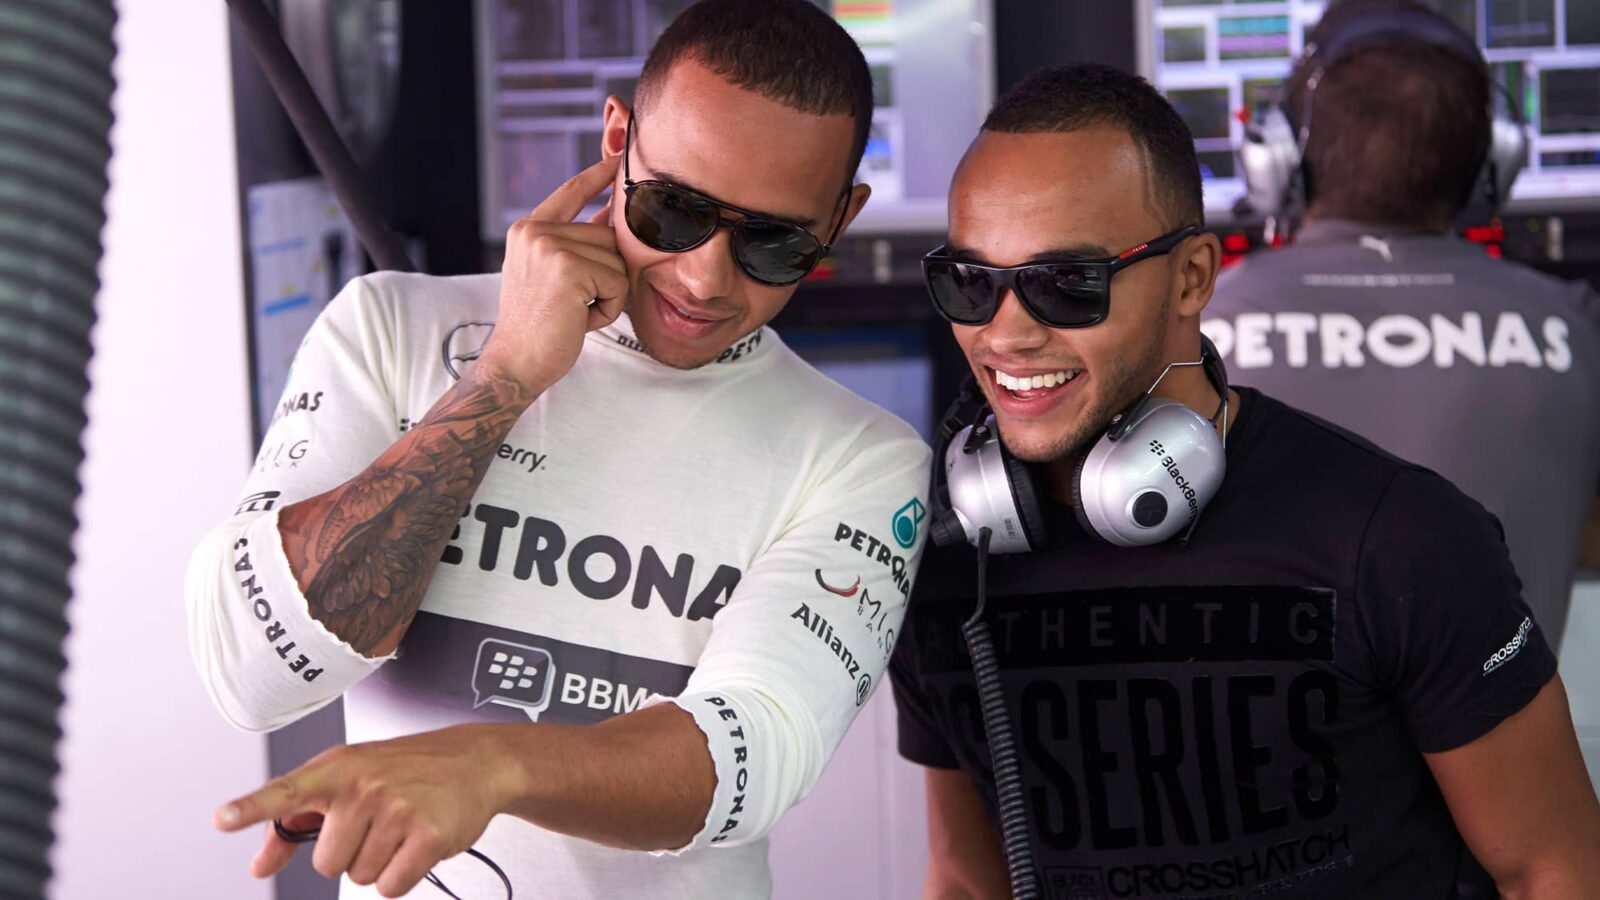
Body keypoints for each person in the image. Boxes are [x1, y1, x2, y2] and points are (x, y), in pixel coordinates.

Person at [185, 2, 931, 897]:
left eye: (775, 244)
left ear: (841, 218)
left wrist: (491, 764)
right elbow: (249, 675)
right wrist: (502, 377)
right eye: (673, 210)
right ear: (616, 138)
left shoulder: (860, 457)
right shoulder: (391, 329)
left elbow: (752, 757)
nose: (705, 276)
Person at [889, 63, 1600, 899]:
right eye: (971, 283)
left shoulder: (1402, 540)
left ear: (1192, 277)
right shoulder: (943, 554)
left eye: (1064, 285)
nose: (1005, 334)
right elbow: (968, 880)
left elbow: (1554, 871)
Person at [1204, 0, 1600, 650]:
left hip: (1259, 745)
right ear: (1494, 163)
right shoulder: (1574, 325)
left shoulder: (1200, 322)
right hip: (1501, 745)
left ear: (1275, 160)